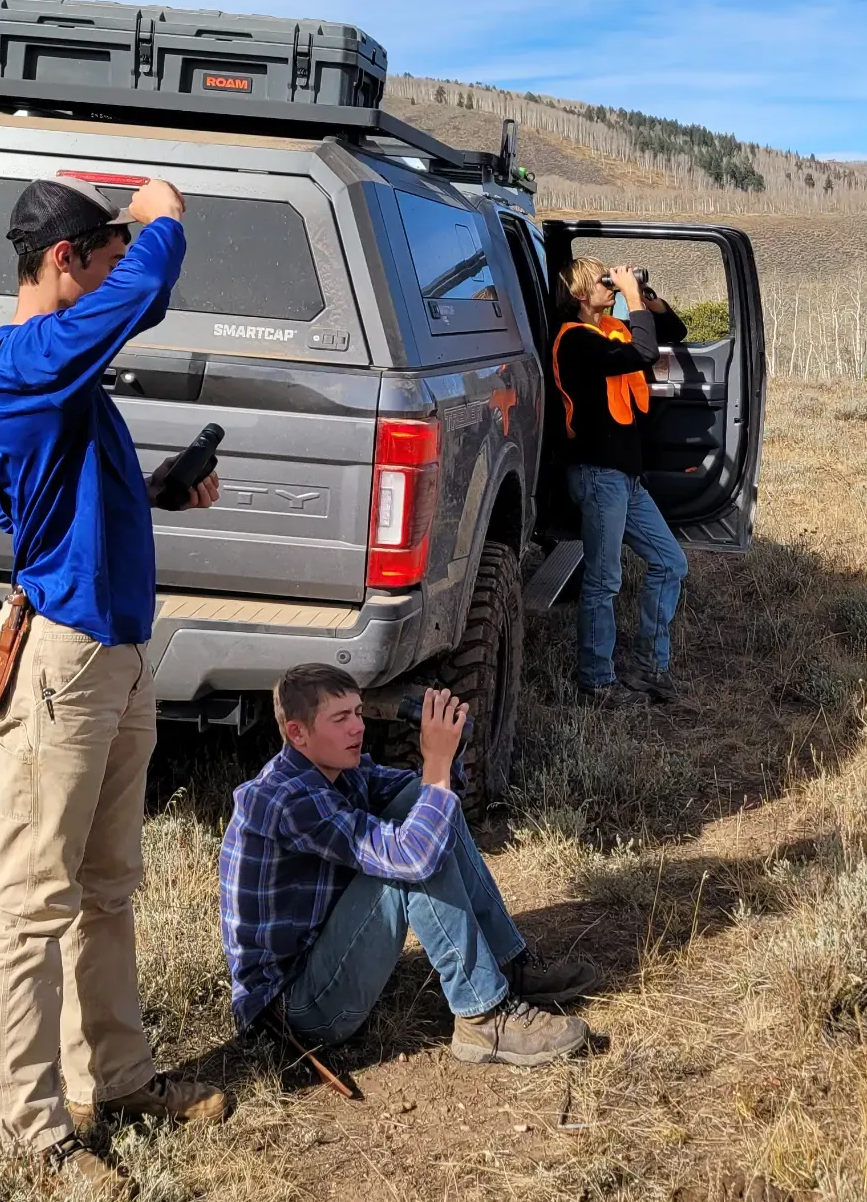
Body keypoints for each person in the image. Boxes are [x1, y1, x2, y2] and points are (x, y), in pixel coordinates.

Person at [0, 172, 231, 1187]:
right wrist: (166, 222)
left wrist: (156, 489)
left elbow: (66, 499)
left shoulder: (63, 375)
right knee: (32, 897)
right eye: (108, 253)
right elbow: (140, 299)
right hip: (62, 663)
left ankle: (114, 1076)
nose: (123, 268)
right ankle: (29, 1133)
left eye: (127, 249)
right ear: (64, 260)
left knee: (107, 885)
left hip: (112, 652)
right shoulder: (22, 360)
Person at [220, 665, 599, 1067]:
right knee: (411, 859)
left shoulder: (339, 772)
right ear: (297, 733)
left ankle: (507, 964)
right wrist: (436, 761)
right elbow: (415, 856)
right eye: (340, 718)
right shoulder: (285, 798)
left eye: (359, 712)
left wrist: (444, 751)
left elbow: (424, 800)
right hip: (298, 1010)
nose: (357, 728)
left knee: (428, 811)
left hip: (324, 962)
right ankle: (482, 1017)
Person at [551, 257, 688, 704]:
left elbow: (672, 335)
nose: (610, 286)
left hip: (625, 477)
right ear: (578, 294)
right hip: (597, 474)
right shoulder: (576, 343)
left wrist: (643, 298)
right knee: (604, 580)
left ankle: (650, 667)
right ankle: (596, 681)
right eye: (601, 282)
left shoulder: (611, 328)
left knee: (670, 563)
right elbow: (644, 353)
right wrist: (630, 298)